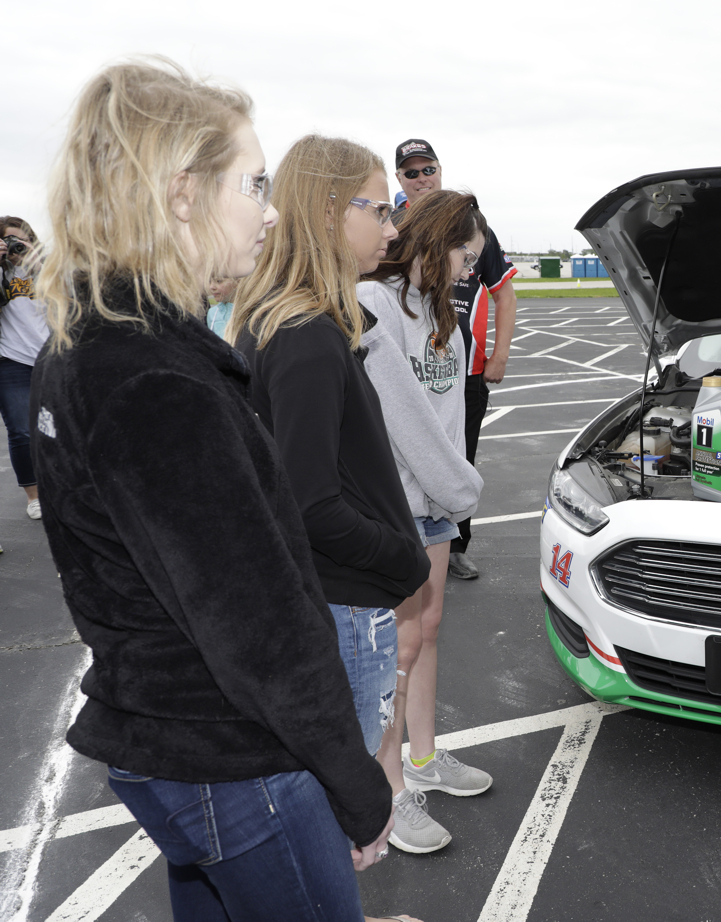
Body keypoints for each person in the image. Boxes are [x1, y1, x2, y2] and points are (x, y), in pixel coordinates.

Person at [29, 59, 399, 922]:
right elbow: (256, 624)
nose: (270, 212)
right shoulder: (155, 377)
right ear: (183, 194)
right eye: (254, 184)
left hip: (166, 740)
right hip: (234, 759)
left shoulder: (83, 340)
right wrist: (356, 784)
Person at [228, 137, 436, 909]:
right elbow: (309, 502)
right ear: (327, 211)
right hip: (345, 607)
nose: (393, 227)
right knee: (340, 808)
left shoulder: (284, 322)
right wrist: (403, 560)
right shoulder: (309, 335)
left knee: (320, 796)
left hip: (326, 599)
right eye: (379, 209)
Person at [358, 190, 490, 854]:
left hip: (435, 503)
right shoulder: (375, 303)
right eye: (466, 255)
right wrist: (461, 486)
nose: (470, 270)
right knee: (396, 649)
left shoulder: (444, 316)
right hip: (394, 506)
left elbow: (449, 418)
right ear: (440, 243)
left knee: (427, 631)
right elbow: (400, 419)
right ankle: (387, 793)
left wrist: (452, 494)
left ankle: (424, 759)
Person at [394, 139, 518, 580]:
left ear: (440, 170)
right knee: (402, 456)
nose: (421, 178)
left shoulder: (474, 227)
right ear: (399, 179)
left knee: (459, 457)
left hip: (462, 371)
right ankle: (404, 541)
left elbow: (504, 294)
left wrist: (499, 355)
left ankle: (455, 544)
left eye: (428, 169)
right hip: (408, 370)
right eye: (411, 172)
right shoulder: (391, 227)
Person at [0, 216, 49, 520]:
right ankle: (34, 496)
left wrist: (37, 263)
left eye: (24, 239)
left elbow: (72, 301)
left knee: (62, 428)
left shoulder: (50, 267)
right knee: (21, 431)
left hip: (52, 358)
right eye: (11, 241)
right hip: (12, 361)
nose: (19, 246)